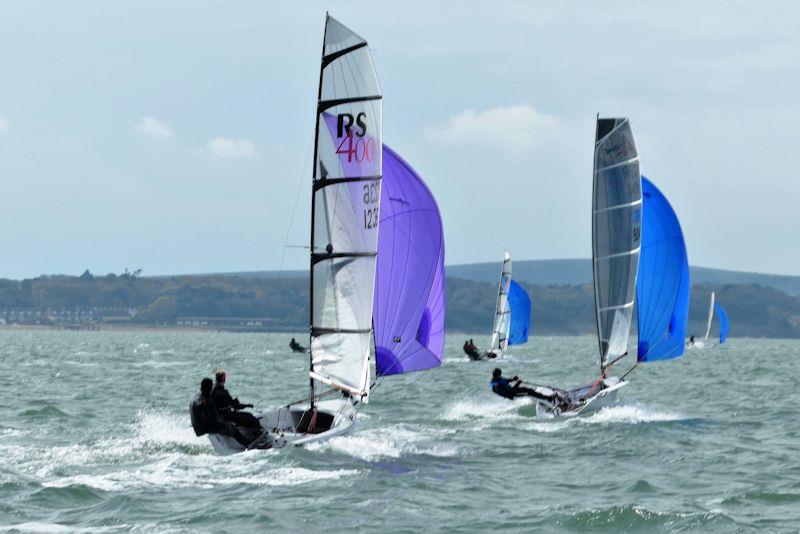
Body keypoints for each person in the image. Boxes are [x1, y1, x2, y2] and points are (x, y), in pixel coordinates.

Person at [190, 378, 251, 447]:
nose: (212, 389)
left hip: (198, 429)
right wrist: (224, 424)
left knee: (226, 422)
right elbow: (210, 420)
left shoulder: (195, 398)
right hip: (206, 429)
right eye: (211, 387)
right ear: (208, 387)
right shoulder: (203, 401)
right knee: (234, 430)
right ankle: (248, 444)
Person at [490, 368, 564, 404]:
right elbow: (511, 390)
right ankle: (549, 398)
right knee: (529, 393)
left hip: (513, 390)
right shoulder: (496, 384)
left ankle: (543, 396)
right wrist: (518, 383)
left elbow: (506, 380)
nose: (500, 376)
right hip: (512, 394)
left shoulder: (498, 379)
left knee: (530, 390)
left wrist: (513, 378)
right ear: (498, 375)